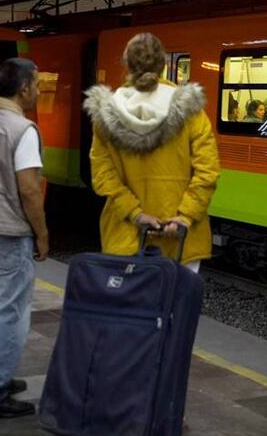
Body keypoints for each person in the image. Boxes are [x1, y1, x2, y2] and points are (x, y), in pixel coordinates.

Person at [84, 31, 219, 274]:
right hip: (180, 241)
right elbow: (208, 172)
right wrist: (184, 217)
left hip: (127, 237)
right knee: (176, 308)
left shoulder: (106, 115)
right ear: (164, 64)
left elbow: (103, 177)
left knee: (130, 310)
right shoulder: (192, 113)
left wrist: (136, 214)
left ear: (126, 64)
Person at [0, 57, 47, 419]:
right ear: (23, 88)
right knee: (12, 316)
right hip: (12, 232)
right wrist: (42, 234)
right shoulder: (23, 129)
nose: (40, 89)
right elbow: (30, 189)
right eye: (37, 83)